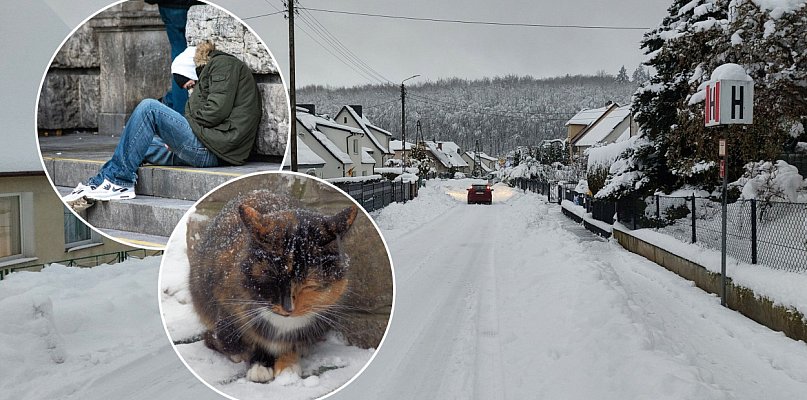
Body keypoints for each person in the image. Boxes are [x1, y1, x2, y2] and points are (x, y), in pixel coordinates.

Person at [63, 41, 262, 204]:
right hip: (213, 145)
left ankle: (119, 181)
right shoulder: (212, 72)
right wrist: (176, 135)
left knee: (149, 107)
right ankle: (100, 182)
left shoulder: (223, 65)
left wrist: (182, 129)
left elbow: (216, 111)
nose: (190, 89)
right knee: (136, 144)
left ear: (190, 70)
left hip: (216, 150)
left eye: (189, 84)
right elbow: (212, 111)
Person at [146, 0, 203, 115]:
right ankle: (177, 110)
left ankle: (171, 104)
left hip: (171, 5)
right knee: (187, 62)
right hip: (191, 5)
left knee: (181, 60)